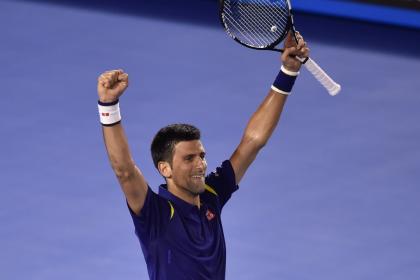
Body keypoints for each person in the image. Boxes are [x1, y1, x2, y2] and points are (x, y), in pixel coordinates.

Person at [97, 32, 309, 280]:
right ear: (165, 169)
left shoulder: (212, 196)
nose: (201, 164)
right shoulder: (154, 214)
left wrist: (288, 72)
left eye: (201, 155)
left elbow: (252, 142)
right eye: (189, 159)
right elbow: (124, 170)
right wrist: (109, 106)